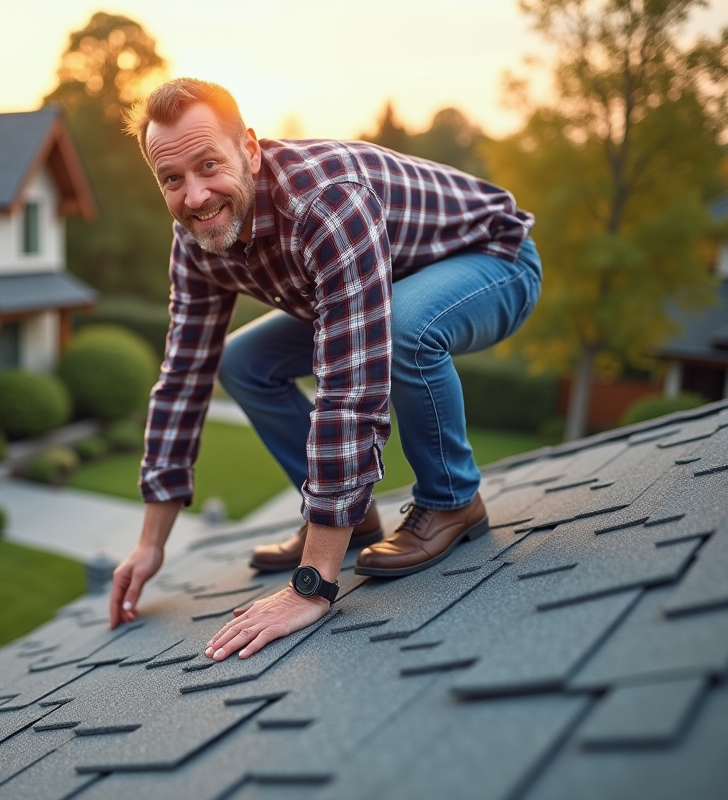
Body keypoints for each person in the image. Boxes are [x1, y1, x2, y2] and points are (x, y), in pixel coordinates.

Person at [108, 78, 541, 662]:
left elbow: (351, 382)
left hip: (494, 259)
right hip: (386, 290)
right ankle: (354, 517)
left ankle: (452, 500)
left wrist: (313, 582)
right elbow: (183, 378)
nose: (196, 195)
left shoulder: (325, 202)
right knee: (243, 361)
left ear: (251, 150)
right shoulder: (196, 243)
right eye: (172, 179)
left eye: (209, 165)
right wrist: (148, 544)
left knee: (404, 329)